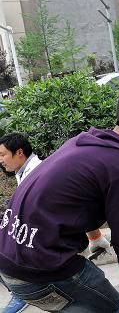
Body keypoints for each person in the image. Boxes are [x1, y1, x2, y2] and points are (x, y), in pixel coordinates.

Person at [0, 88, 119, 312]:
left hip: (7, 257)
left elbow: (77, 197)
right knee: (112, 306)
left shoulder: (83, 142)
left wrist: (95, 237)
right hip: (37, 269)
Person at [0, 133, 43, 313]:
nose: (0, 160)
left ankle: (20, 293)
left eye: (2, 155)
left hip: (38, 236)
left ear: (19, 153)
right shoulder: (24, 170)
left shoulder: (35, 172)